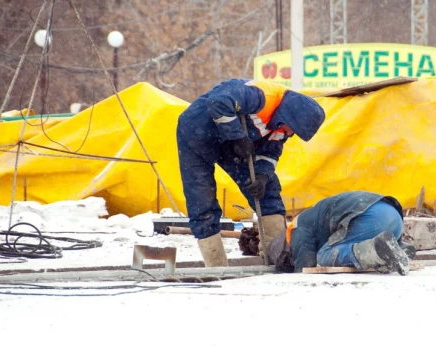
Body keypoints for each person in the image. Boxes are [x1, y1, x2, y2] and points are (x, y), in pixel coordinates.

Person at [176, 79, 325, 267]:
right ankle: (216, 266)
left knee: (268, 192)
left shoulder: (281, 127)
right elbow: (218, 101)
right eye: (292, 129)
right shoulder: (261, 96)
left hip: (233, 144)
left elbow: (270, 153)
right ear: (289, 117)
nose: (291, 134)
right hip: (196, 134)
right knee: (201, 200)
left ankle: (277, 258)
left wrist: (263, 176)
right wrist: (236, 136)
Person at [266, 191, 417, 275]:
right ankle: (399, 249)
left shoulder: (296, 229)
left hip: (370, 217)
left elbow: (307, 267)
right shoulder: (311, 217)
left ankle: (377, 250)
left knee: (324, 256)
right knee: (346, 245)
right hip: (392, 215)